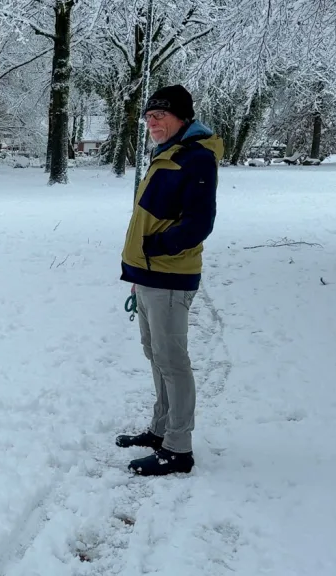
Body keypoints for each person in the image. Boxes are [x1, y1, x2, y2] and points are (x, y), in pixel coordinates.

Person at [116, 84, 224, 476]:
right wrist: (139, 270)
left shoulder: (196, 158)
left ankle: (178, 448)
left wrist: (156, 249)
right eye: (148, 117)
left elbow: (199, 223)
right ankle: (161, 429)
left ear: (182, 117)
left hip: (170, 276)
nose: (152, 123)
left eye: (160, 115)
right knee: (155, 354)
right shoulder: (166, 154)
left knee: (173, 360)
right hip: (149, 275)